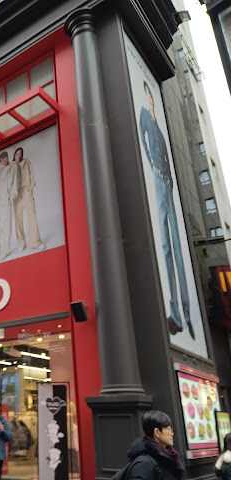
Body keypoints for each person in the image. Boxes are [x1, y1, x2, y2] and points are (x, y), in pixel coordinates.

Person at [139, 81, 195, 340]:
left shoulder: (159, 124)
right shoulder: (144, 116)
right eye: (147, 94)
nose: (150, 99)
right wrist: (153, 166)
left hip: (169, 184)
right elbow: (143, 142)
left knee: (178, 249)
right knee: (165, 246)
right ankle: (176, 312)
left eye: (151, 95)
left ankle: (186, 312)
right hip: (159, 182)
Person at [115, 410, 184, 480]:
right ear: (157, 432)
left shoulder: (169, 457)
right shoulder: (144, 463)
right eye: (168, 429)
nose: (172, 433)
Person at [12, 147, 45, 252]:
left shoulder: (26, 162)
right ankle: (21, 243)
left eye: (20, 154)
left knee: (32, 216)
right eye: (17, 154)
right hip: (16, 194)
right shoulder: (12, 166)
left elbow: (31, 174)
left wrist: (30, 187)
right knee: (18, 219)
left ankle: (36, 242)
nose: (19, 155)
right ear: (14, 155)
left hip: (26, 190)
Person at [0, 151, 19, 261]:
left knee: (6, 226)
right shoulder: (0, 171)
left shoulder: (13, 167)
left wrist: (12, 195)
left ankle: (5, 251)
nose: (3, 161)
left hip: (6, 199)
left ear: (7, 157)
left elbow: (15, 181)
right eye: (0, 160)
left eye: (4, 158)